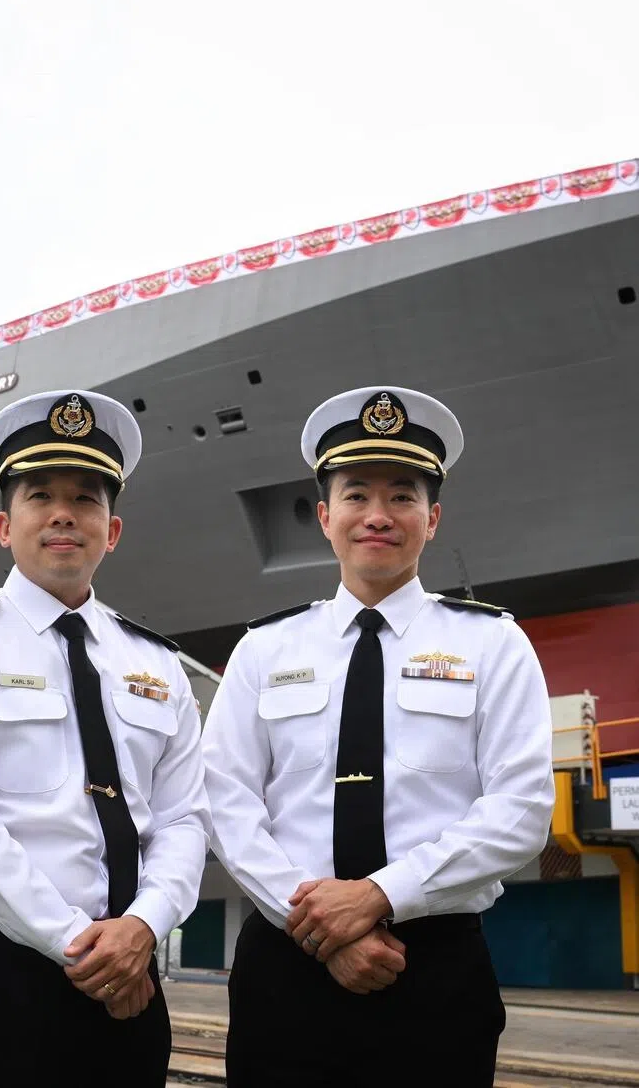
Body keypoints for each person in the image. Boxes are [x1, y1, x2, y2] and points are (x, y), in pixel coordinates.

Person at [201, 386, 555, 1088]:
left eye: (402, 496)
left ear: (433, 517)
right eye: (357, 494)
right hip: (286, 960)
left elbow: (520, 812)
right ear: (326, 517)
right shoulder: (264, 649)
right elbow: (224, 801)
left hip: (435, 967)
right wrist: (319, 924)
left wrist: (378, 896)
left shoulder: (494, 643)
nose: (379, 515)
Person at [0, 390, 210, 1087]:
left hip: (131, 967)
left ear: (114, 529)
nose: (64, 513)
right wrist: (80, 947)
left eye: (86, 498)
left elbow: (186, 817)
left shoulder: (154, 662)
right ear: (5, 526)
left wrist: (143, 928)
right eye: (41, 495)